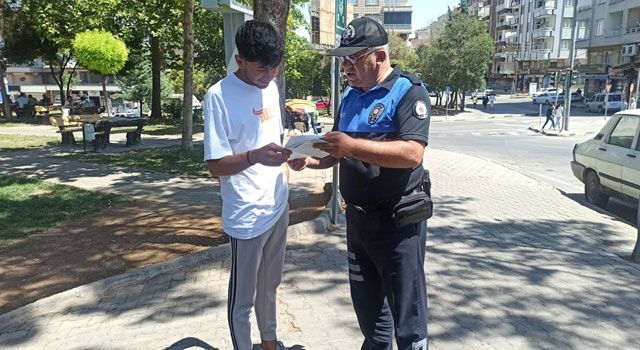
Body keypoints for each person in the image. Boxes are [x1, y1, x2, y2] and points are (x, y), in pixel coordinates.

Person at [288, 17, 431, 350]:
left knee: (408, 318)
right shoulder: (350, 96)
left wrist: (349, 145)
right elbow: (339, 151)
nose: (345, 65)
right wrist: (312, 160)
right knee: (369, 314)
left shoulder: (408, 90)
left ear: (379, 57)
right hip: (358, 221)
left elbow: (412, 153)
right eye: (343, 58)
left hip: (398, 224)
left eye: (354, 57)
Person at [203, 20, 291, 350]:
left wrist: (289, 160)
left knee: (270, 287)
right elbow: (214, 166)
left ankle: (269, 344)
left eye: (274, 66)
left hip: (278, 205)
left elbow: (272, 139)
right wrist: (254, 157)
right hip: (246, 217)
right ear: (239, 60)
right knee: (243, 300)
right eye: (261, 67)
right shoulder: (218, 96)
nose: (269, 74)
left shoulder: (270, 87)